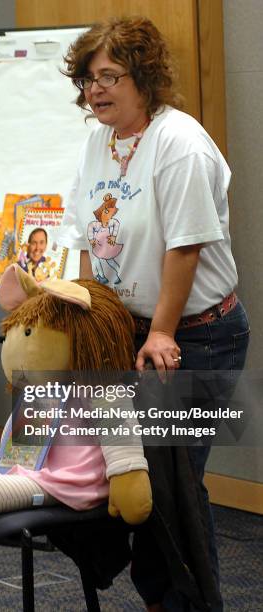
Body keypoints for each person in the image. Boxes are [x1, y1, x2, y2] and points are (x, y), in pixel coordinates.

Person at [57, 16, 250, 612]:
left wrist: (162, 330)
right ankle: (159, 600)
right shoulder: (99, 141)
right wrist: (91, 325)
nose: (96, 90)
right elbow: (87, 240)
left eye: (109, 76)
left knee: (172, 491)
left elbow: (184, 246)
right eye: (89, 80)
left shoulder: (180, 144)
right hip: (130, 333)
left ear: (144, 77)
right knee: (129, 481)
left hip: (198, 335)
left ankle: (192, 605)